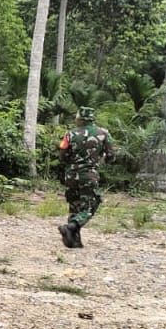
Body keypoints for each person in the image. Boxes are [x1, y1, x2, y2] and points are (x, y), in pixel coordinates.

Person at [58, 106, 115, 248]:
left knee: (74, 206)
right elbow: (111, 156)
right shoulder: (103, 133)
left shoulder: (69, 134)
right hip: (89, 175)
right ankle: (72, 227)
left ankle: (73, 241)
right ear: (92, 118)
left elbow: (62, 156)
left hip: (71, 175)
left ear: (80, 119)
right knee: (91, 205)